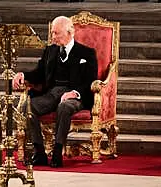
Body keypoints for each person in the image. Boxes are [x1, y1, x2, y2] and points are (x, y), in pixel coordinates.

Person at [12, 16, 98, 168]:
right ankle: (39, 152)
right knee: (27, 107)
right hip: (52, 93)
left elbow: (90, 81)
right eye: (52, 33)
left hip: (75, 95)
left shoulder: (87, 53)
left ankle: (57, 153)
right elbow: (39, 73)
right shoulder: (50, 51)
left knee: (64, 107)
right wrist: (23, 75)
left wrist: (74, 93)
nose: (52, 37)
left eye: (56, 33)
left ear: (70, 32)